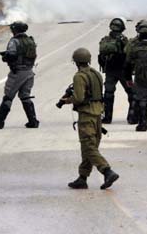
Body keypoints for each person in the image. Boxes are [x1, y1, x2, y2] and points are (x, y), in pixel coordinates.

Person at [59, 48, 119, 190]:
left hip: (86, 115)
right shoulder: (96, 74)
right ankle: (82, 177)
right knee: (89, 146)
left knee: (88, 146)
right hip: (97, 114)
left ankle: (106, 170)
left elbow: (79, 98)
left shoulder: (79, 76)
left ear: (76, 61)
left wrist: (66, 100)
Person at [0, 21, 39, 129]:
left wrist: (5, 56)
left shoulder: (14, 41)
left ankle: (0, 121)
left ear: (15, 30)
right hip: (29, 72)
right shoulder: (30, 40)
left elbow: (12, 55)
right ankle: (33, 121)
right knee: (25, 96)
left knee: (8, 96)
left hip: (17, 73)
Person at [98, 18, 135, 124]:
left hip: (112, 71)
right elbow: (130, 53)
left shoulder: (105, 40)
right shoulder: (123, 40)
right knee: (132, 93)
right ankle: (132, 117)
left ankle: (107, 118)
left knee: (109, 94)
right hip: (123, 71)